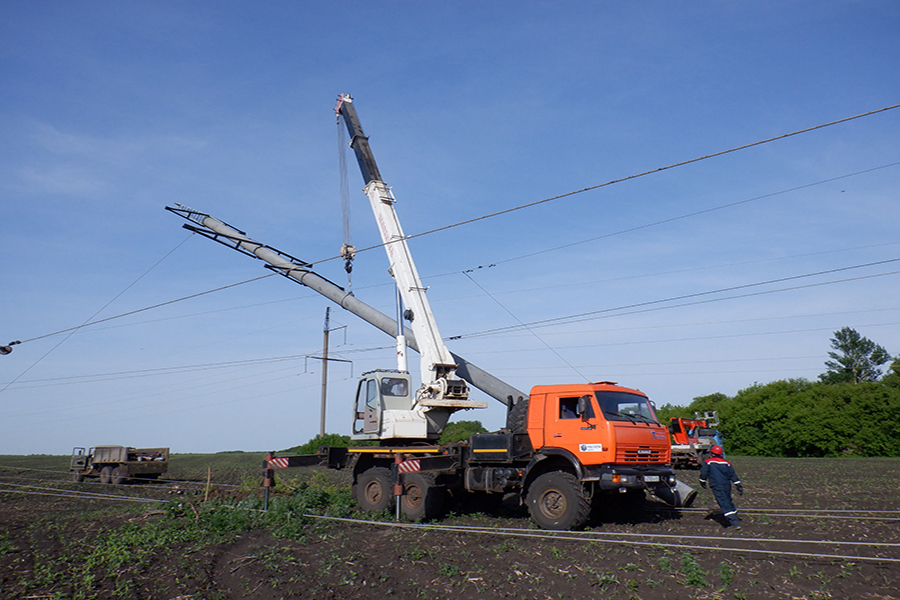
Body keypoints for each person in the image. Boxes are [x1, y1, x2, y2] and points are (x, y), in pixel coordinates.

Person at [699, 445, 743, 529]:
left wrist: (702, 481)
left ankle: (734, 522)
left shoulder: (708, 462)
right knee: (728, 501)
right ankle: (735, 515)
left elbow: (704, 473)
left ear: (712, 453)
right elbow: (733, 475)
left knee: (723, 503)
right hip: (727, 485)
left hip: (716, 485)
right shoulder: (726, 463)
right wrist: (738, 485)